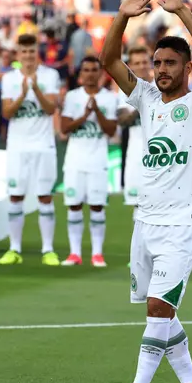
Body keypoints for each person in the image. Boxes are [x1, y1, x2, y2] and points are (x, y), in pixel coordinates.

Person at [99, 0, 192, 383]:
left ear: (188, 68)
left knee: (158, 307)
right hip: (146, 220)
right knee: (161, 313)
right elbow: (108, 59)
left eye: (170, 62)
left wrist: (181, 10)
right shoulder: (148, 99)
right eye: (156, 63)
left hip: (184, 223)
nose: (161, 69)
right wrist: (121, 15)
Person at [0, 34, 61, 266]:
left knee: (45, 196)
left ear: (37, 53)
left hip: (43, 145)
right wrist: (24, 93)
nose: (28, 55)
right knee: (16, 196)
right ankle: (14, 248)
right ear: (18, 54)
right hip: (18, 146)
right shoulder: (9, 79)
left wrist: (35, 89)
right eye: (24, 51)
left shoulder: (50, 75)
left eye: (31, 51)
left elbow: (50, 108)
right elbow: (7, 113)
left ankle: (48, 249)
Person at [59, 56, 118, 267]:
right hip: (75, 161)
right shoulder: (72, 97)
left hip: (97, 161)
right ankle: (75, 253)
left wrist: (97, 111)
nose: (90, 74)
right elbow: (64, 128)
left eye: (94, 70)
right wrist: (84, 116)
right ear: (81, 74)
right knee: (73, 205)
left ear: (100, 73)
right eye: (86, 70)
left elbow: (111, 130)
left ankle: (97, 254)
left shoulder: (109, 98)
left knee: (97, 206)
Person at [117, 45, 153, 211]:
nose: (142, 66)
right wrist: (141, 105)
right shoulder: (125, 90)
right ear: (130, 66)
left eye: (144, 62)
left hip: (161, 154)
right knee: (138, 208)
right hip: (136, 155)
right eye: (137, 63)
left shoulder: (162, 87)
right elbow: (123, 120)